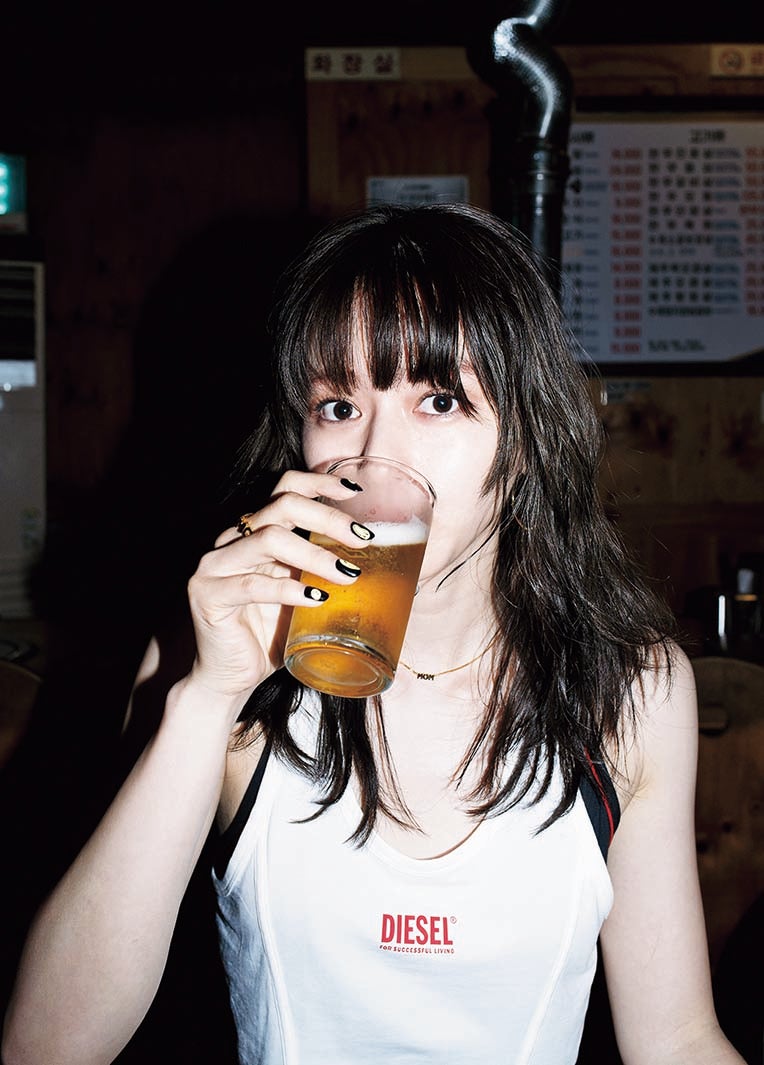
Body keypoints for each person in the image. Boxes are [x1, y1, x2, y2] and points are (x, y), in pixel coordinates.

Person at [2, 203, 744, 1065]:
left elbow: (677, 1037)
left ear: (526, 442)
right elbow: (48, 1046)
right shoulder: (211, 662)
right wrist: (207, 695)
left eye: (438, 399)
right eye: (338, 404)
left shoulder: (630, 688)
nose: (373, 458)